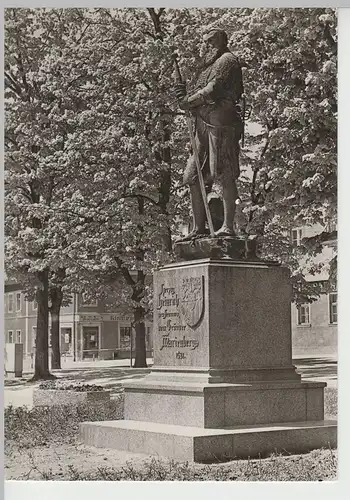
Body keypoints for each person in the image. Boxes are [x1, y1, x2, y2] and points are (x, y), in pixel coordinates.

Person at [175, 28, 244, 238]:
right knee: (192, 175)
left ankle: (228, 227)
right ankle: (198, 228)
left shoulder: (227, 60)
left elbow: (212, 90)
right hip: (202, 124)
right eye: (205, 41)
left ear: (222, 40)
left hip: (221, 122)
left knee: (222, 173)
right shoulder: (206, 67)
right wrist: (185, 98)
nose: (207, 45)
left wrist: (189, 101)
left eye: (211, 40)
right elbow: (199, 90)